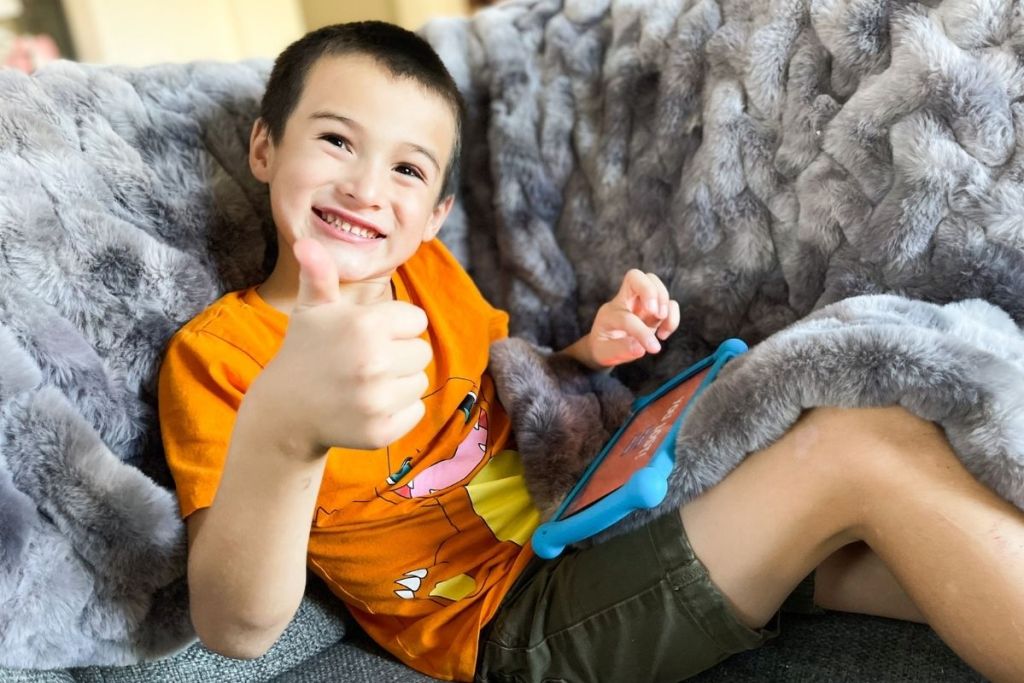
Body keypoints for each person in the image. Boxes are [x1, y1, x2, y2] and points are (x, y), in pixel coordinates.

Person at [157, 21, 1024, 683]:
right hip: (507, 622)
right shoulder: (221, 355)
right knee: (854, 447)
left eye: (408, 171)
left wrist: (589, 353)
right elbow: (237, 626)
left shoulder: (427, 271)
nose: (364, 186)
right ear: (265, 149)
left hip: (586, 520)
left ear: (436, 214)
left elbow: (511, 392)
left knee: (870, 510)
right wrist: (286, 430)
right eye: (336, 141)